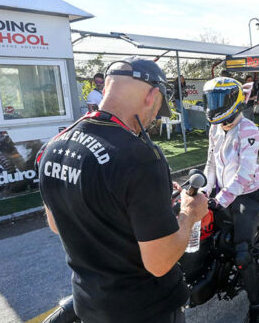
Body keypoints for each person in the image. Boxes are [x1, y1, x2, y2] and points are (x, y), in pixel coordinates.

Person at [37, 57, 209, 323]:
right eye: (157, 110)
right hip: (144, 309)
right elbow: (160, 262)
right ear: (152, 95)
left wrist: (145, 203)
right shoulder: (142, 157)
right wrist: (189, 215)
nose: (154, 120)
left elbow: (57, 223)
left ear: (106, 88)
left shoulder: (55, 146)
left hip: (89, 304)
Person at [202, 77, 259, 323]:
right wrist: (204, 191)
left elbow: (244, 173)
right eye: (211, 99)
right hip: (222, 191)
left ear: (234, 101)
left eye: (219, 100)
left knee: (242, 253)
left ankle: (257, 308)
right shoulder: (215, 128)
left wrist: (220, 199)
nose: (214, 105)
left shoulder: (249, 130)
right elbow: (210, 164)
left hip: (247, 194)